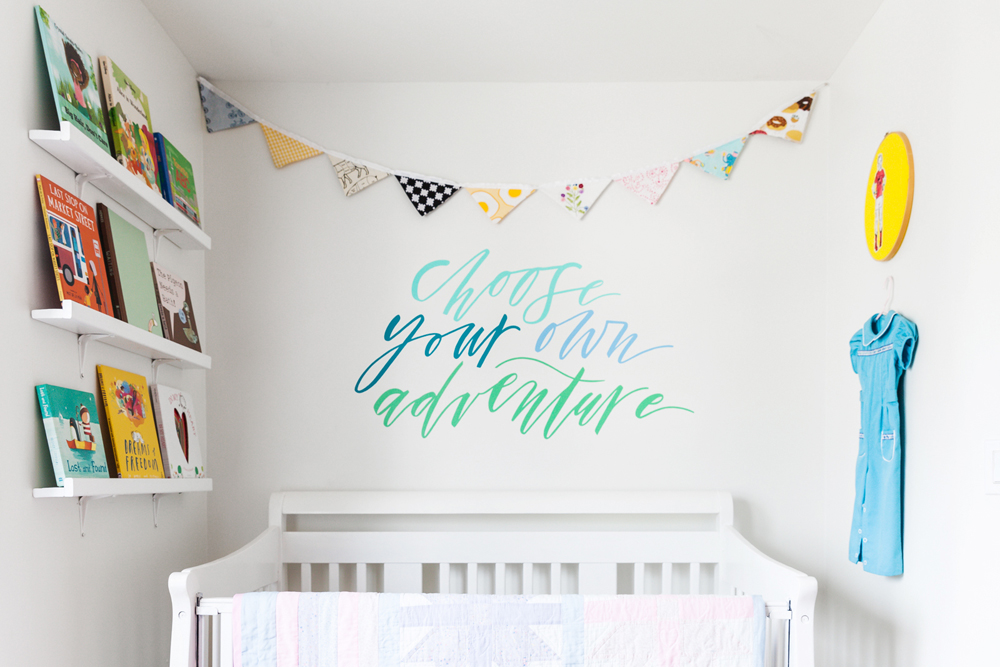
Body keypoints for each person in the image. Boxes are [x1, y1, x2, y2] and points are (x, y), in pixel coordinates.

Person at [872, 154, 886, 252]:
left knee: (880, 218)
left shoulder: (882, 172)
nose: (879, 163)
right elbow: (873, 186)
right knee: (876, 219)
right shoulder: (877, 173)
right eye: (878, 161)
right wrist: (874, 194)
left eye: (881, 161)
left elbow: (884, 181)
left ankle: (881, 241)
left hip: (881, 197)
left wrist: (883, 186)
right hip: (877, 198)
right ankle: (876, 243)